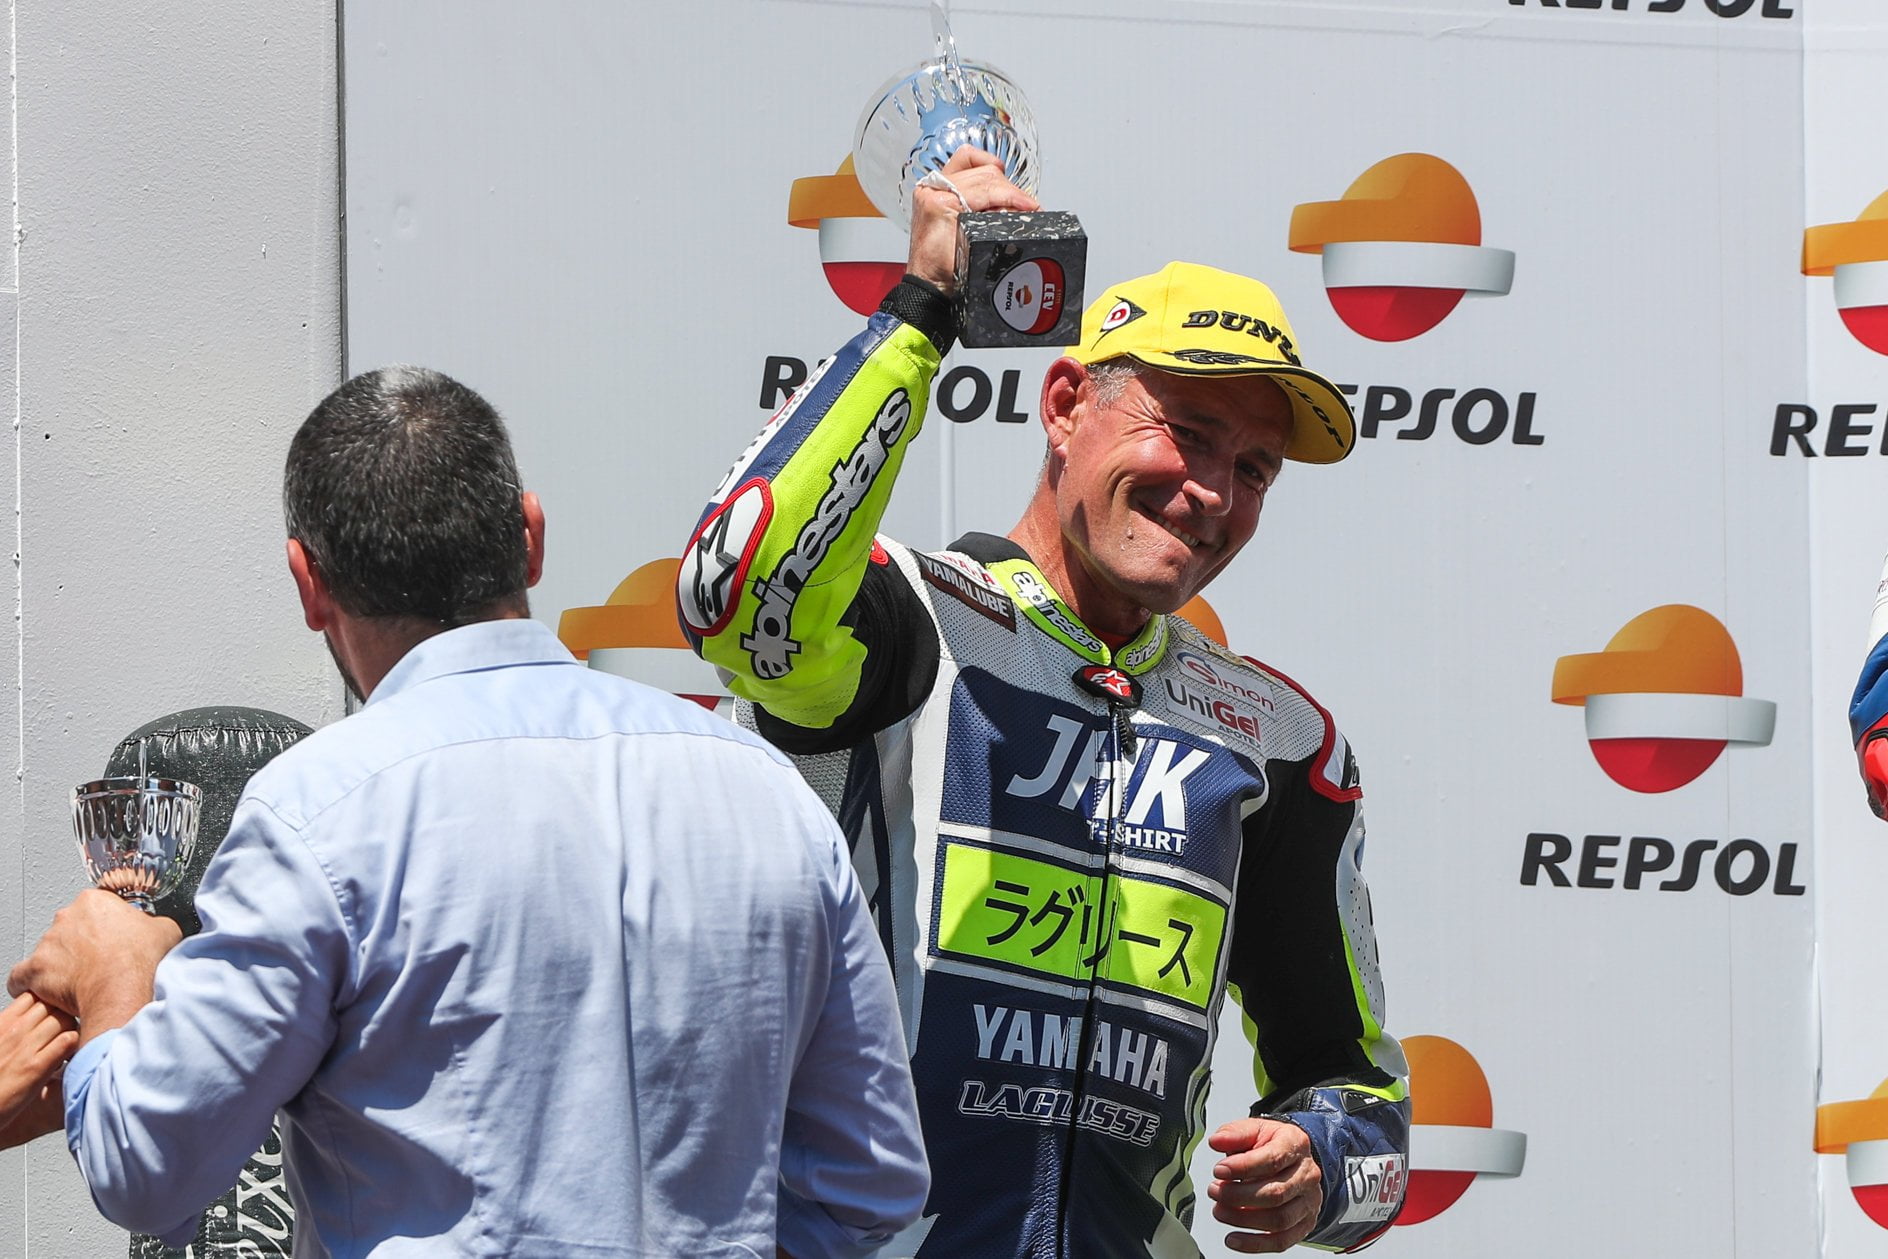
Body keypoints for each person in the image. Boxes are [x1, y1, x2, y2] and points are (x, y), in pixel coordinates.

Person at [10, 365, 928, 1257]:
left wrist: (117, 973)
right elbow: (871, 1180)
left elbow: (148, 1166)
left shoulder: (319, 812)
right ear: (531, 537)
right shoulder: (765, 791)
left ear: (308, 583)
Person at [679, 148, 1409, 1257]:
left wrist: (1321, 1162)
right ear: (1066, 405)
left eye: (1255, 467)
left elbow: (1367, 1106)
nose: (1212, 492)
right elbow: (731, 593)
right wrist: (923, 309)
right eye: (1187, 432)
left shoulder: (1277, 741)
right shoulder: (903, 621)